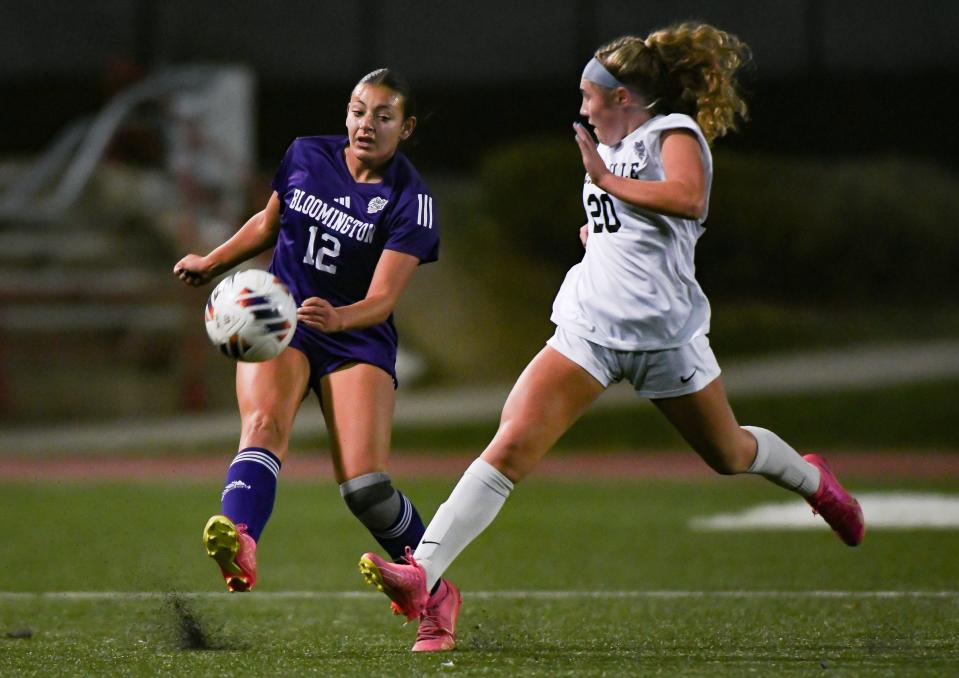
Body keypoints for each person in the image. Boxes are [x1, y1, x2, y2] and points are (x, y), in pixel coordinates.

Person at [358, 23, 865, 629]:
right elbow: (624, 228)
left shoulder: (670, 133)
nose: (582, 108)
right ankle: (425, 575)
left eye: (589, 96)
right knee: (511, 444)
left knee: (729, 454)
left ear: (622, 97)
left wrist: (605, 182)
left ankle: (815, 481)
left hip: (663, 338)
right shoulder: (607, 158)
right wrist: (598, 228)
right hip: (589, 328)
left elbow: (688, 198)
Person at [173, 68, 460, 652]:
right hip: (284, 321)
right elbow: (269, 223)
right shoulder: (306, 154)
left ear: (404, 128)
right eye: (358, 110)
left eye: (382, 116)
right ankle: (242, 539)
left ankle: (436, 594)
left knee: (365, 488)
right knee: (261, 426)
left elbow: (381, 300)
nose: (365, 124)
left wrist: (339, 316)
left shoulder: (413, 200)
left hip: (355, 335)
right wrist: (214, 261)